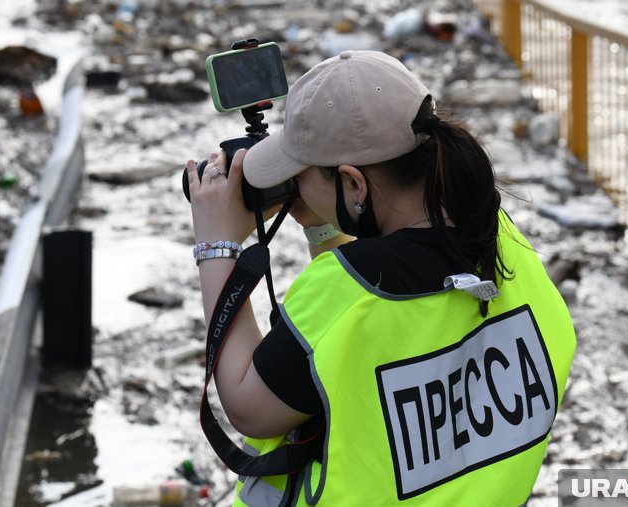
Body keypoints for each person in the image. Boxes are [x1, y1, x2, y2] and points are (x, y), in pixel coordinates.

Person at [185, 50, 575, 506]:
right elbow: (363, 338)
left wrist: (218, 248)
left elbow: (249, 408)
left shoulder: (346, 284)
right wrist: (323, 223)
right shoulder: (500, 236)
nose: (294, 185)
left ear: (354, 184)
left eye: (300, 174)